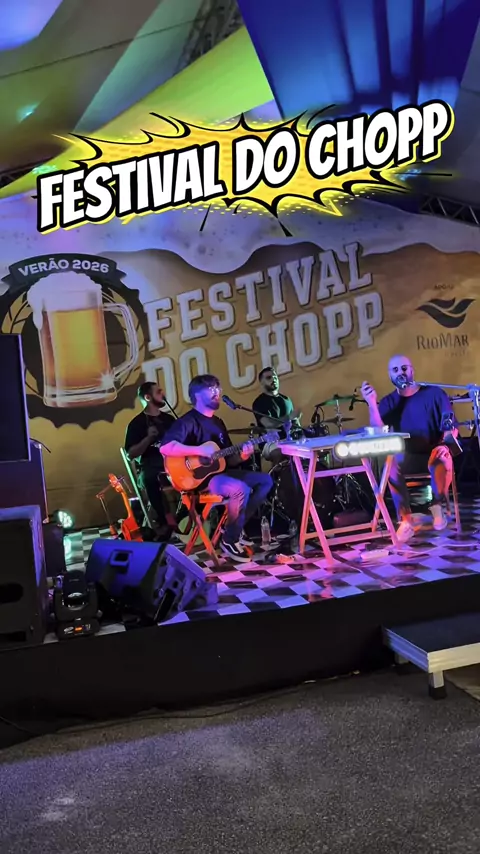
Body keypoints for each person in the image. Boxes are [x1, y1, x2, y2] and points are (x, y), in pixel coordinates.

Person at [159, 374, 273, 562]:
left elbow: (227, 461)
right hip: (198, 481)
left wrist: (242, 456)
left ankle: (234, 528)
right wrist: (198, 450)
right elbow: (166, 447)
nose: (217, 392)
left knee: (265, 481)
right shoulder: (187, 421)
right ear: (196, 395)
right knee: (240, 489)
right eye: (211, 388)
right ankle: (230, 540)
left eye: (218, 388)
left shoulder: (218, 422)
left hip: (220, 474)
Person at [361, 354, 456, 542]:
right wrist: (372, 403)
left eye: (404, 368)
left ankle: (437, 507)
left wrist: (447, 444)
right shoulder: (389, 402)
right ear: (390, 375)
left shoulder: (435, 393)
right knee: (390, 461)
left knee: (442, 454)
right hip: (406, 457)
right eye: (395, 370)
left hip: (434, 452)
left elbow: (450, 427)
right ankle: (405, 520)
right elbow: (379, 432)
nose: (401, 373)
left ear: (412, 370)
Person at [125, 382, 177, 538]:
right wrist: (148, 438)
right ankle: (163, 522)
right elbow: (130, 454)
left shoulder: (169, 419)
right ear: (148, 397)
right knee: (150, 478)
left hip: (174, 466)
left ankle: (190, 518)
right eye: (159, 392)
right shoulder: (137, 424)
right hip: (151, 467)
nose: (163, 394)